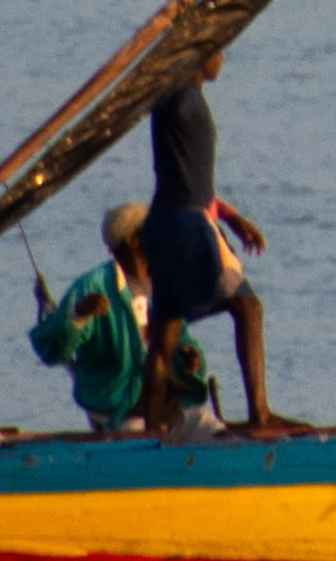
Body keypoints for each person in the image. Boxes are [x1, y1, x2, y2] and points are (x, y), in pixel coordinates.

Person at [134, 46, 287, 437]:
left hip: (167, 220)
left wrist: (232, 218)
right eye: (217, 52)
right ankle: (260, 415)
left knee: (166, 333)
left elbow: (192, 179)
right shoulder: (178, 94)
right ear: (199, 55)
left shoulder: (187, 97)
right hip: (186, 224)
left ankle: (152, 426)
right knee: (248, 308)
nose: (221, 60)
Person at [39, 199, 208, 434]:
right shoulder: (94, 286)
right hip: (123, 411)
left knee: (216, 432)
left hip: (170, 408)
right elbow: (53, 350)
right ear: (133, 239)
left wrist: (189, 360)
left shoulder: (164, 282)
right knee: (144, 444)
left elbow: (182, 341)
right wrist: (79, 315)